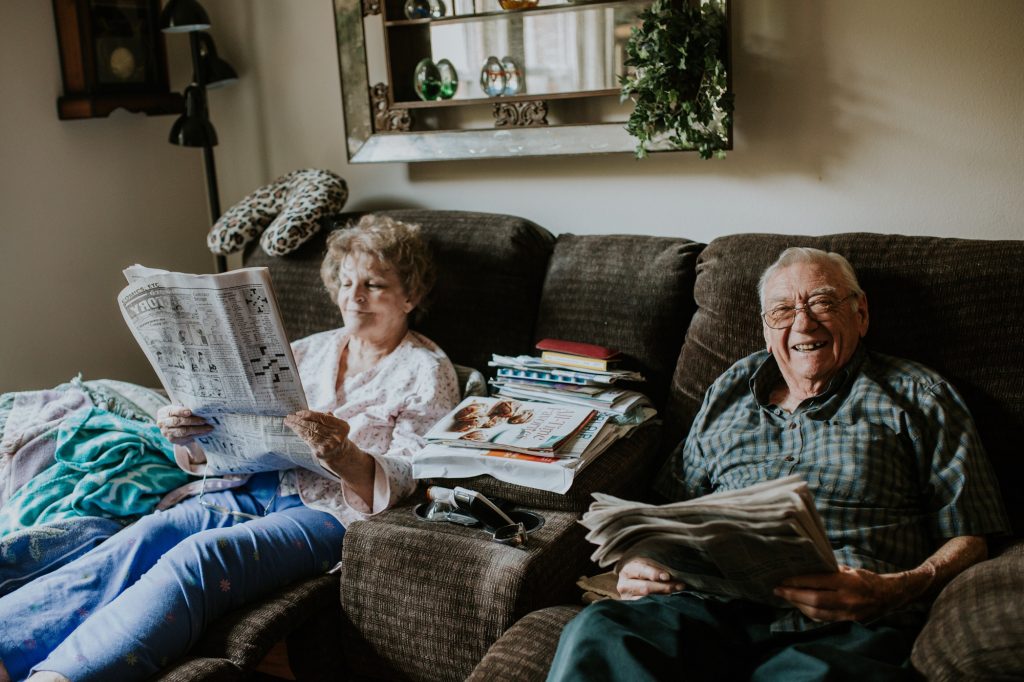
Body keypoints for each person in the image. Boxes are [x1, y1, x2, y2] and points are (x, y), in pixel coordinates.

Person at [0, 215, 460, 682]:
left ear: (412, 296)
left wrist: (344, 456)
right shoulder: (307, 350)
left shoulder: (427, 370)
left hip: (328, 513)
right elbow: (222, 440)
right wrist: (188, 434)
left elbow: (413, 475)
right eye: (346, 282)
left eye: (374, 284)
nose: (354, 297)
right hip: (248, 483)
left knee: (199, 558)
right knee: (144, 536)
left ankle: (59, 676)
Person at [546, 247, 1010, 682]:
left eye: (823, 302)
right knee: (600, 632)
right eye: (783, 310)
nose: (803, 325)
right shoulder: (728, 389)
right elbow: (671, 505)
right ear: (767, 329)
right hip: (705, 603)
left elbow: (971, 534)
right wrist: (641, 560)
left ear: (861, 313)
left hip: (844, 618)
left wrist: (895, 588)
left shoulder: (918, 395)